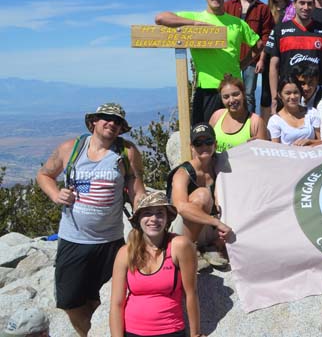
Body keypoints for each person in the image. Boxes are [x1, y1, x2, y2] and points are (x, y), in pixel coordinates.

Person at [36, 103, 146, 337]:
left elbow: (137, 190)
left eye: (117, 121)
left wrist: (145, 224)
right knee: (70, 301)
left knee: (104, 300)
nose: (112, 123)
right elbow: (44, 174)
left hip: (110, 242)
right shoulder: (71, 148)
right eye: (106, 118)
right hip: (73, 239)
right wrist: (56, 194)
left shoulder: (127, 152)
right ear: (93, 122)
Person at [155, 0, 260, 124]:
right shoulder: (195, 17)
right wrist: (194, 24)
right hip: (207, 89)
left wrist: (242, 64)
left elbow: (258, 45)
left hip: (234, 88)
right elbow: (160, 18)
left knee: (238, 133)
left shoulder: (238, 23)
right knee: (202, 136)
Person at [109, 191, 201, 337]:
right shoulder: (125, 253)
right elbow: (116, 303)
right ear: (138, 218)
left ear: (167, 219)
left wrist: (195, 334)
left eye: (159, 213)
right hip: (131, 331)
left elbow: (191, 293)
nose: (154, 219)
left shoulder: (180, 245)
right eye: (147, 213)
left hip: (171, 330)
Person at [265, 0, 322, 113]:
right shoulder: (280, 30)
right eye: (302, 3)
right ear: (294, 4)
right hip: (289, 96)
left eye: (310, 3)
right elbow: (273, 65)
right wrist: (274, 97)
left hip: (317, 96)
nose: (306, 7)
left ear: (314, 5)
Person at [169, 123, 231, 269]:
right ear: (192, 147)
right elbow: (181, 207)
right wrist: (215, 223)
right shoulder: (183, 173)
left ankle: (212, 247)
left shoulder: (221, 167)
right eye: (198, 143)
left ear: (215, 144)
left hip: (210, 230)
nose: (204, 147)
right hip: (183, 230)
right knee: (203, 194)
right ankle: (190, 250)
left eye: (208, 142)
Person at [223, 0, 275, 115]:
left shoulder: (263, 8)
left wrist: (262, 59)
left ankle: (249, 124)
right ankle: (230, 121)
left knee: (249, 95)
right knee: (229, 92)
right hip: (230, 57)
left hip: (252, 58)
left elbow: (266, 36)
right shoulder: (227, 6)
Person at [209, 74, 268, 152]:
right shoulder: (217, 116)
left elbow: (263, 157)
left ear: (243, 94)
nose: (232, 100)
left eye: (236, 94)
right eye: (226, 97)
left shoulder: (255, 122)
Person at [267, 78, 322, 146]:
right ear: (280, 95)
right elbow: (274, 149)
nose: (293, 97)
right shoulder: (275, 121)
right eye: (288, 93)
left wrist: (310, 142)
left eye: (296, 92)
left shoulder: (312, 113)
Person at [291, 63, 322, 142]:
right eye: (302, 83)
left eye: (310, 83)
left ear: (317, 80)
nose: (306, 88)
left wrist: (308, 141)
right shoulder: (300, 98)